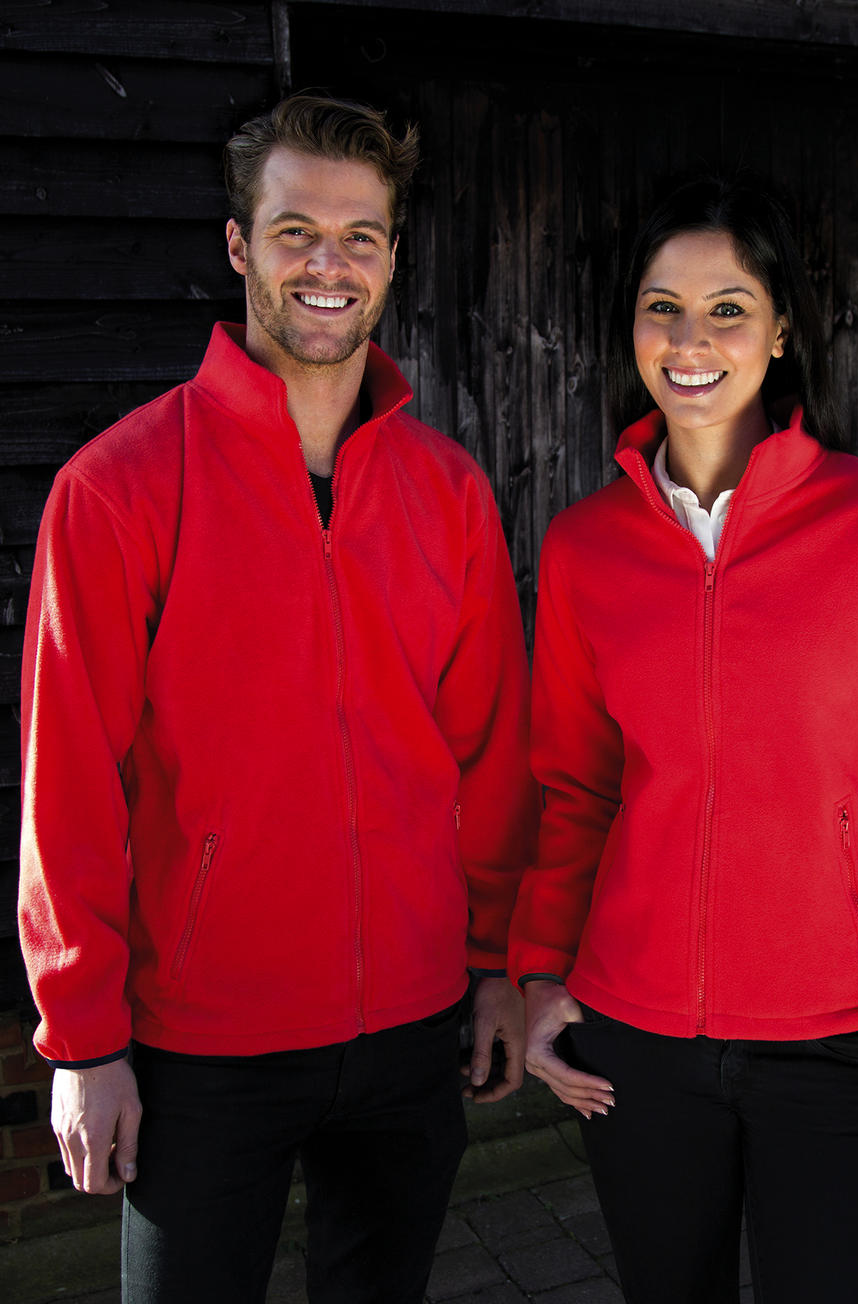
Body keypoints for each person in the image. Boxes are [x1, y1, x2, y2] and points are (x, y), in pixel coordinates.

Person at [19, 93, 535, 1304]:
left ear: (392, 258)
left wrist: (498, 963)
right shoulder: (117, 489)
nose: (328, 264)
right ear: (240, 245)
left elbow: (491, 752)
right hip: (205, 1042)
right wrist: (84, 1040)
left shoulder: (450, 492)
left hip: (411, 1025)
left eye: (360, 236)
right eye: (295, 230)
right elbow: (69, 783)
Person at [508, 176, 858, 1303]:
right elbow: (575, 788)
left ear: (780, 330)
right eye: (662, 307)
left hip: (836, 1045)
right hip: (635, 1041)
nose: (690, 340)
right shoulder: (586, 546)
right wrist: (540, 975)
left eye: (727, 309)